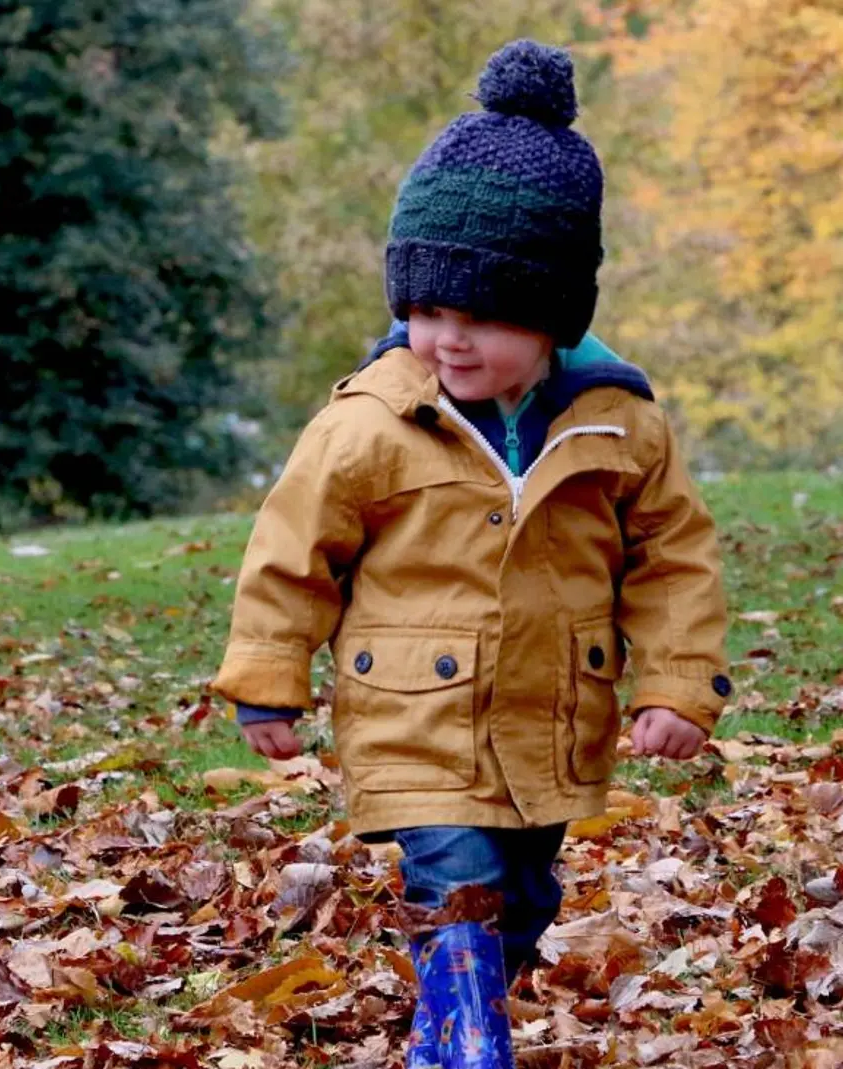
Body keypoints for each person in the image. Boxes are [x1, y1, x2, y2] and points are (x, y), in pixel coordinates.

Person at [209, 39, 732, 1069]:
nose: (447, 339)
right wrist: (268, 678)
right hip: (410, 713)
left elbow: (670, 556)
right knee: (458, 886)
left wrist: (678, 682)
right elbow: (292, 547)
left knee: (525, 896)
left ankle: (469, 1008)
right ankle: (459, 1046)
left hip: (548, 723)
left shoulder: (615, 424)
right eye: (426, 309)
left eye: (482, 317)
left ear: (551, 321)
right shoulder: (371, 424)